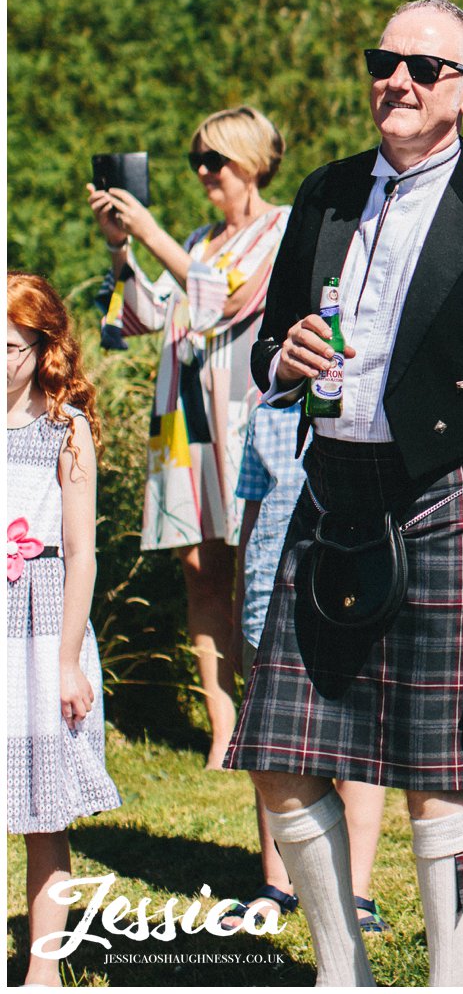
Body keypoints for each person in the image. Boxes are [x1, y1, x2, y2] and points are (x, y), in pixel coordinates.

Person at [226, 0, 463, 987]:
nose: (398, 80)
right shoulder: (329, 191)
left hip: (449, 489)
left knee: (442, 768)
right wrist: (284, 358)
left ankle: (449, 980)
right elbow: (269, 345)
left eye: (424, 68)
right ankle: (345, 972)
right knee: (283, 749)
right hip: (334, 486)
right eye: (385, 60)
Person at [85, 106, 290, 767]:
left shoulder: (279, 230)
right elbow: (141, 318)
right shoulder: (198, 239)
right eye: (197, 160)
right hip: (184, 419)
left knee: (254, 565)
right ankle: (221, 722)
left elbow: (228, 302)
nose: (204, 172)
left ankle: (267, 709)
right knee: (200, 570)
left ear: (252, 162)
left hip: (243, 415)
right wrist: (122, 245)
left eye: (216, 160)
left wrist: (150, 233)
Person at [222, 397, 391, 936]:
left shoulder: (370, 406)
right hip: (267, 592)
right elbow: (253, 511)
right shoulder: (267, 412)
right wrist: (240, 598)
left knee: (360, 748)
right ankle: (277, 881)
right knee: (272, 749)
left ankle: (356, 890)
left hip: (345, 589)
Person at [8, 273, 123, 988]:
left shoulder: (63, 426)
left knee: (42, 810)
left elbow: (80, 552)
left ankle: (41, 970)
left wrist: (69, 661)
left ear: (43, 348)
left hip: (40, 623)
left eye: (11, 348)